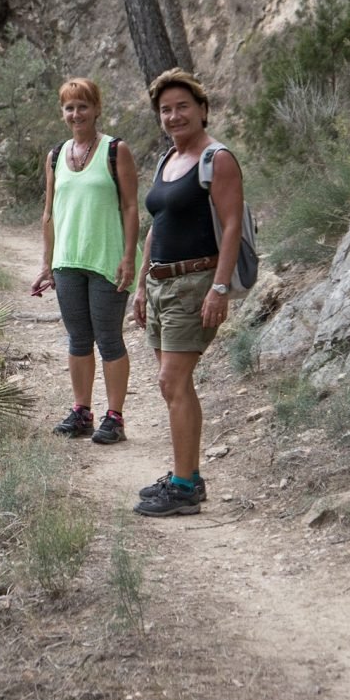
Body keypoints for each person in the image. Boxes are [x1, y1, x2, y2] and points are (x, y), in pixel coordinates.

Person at [131, 69, 244, 516]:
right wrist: (141, 283)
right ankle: (188, 477)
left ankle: (181, 489)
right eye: (165, 110)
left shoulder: (218, 159)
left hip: (194, 283)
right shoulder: (167, 160)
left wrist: (220, 287)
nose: (174, 116)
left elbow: (232, 226)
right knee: (175, 385)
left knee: (171, 381)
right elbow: (156, 226)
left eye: (182, 107)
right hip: (160, 284)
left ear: (202, 109)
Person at [30, 78, 139, 445]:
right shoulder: (55, 156)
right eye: (69, 107)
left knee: (109, 338)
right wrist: (47, 264)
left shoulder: (115, 150)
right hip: (68, 261)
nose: (76, 114)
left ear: (96, 109)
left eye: (83, 106)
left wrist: (129, 257)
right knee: (78, 338)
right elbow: (49, 213)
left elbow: (130, 207)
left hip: (107, 259)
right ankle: (82, 412)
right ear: (62, 113)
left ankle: (115, 417)